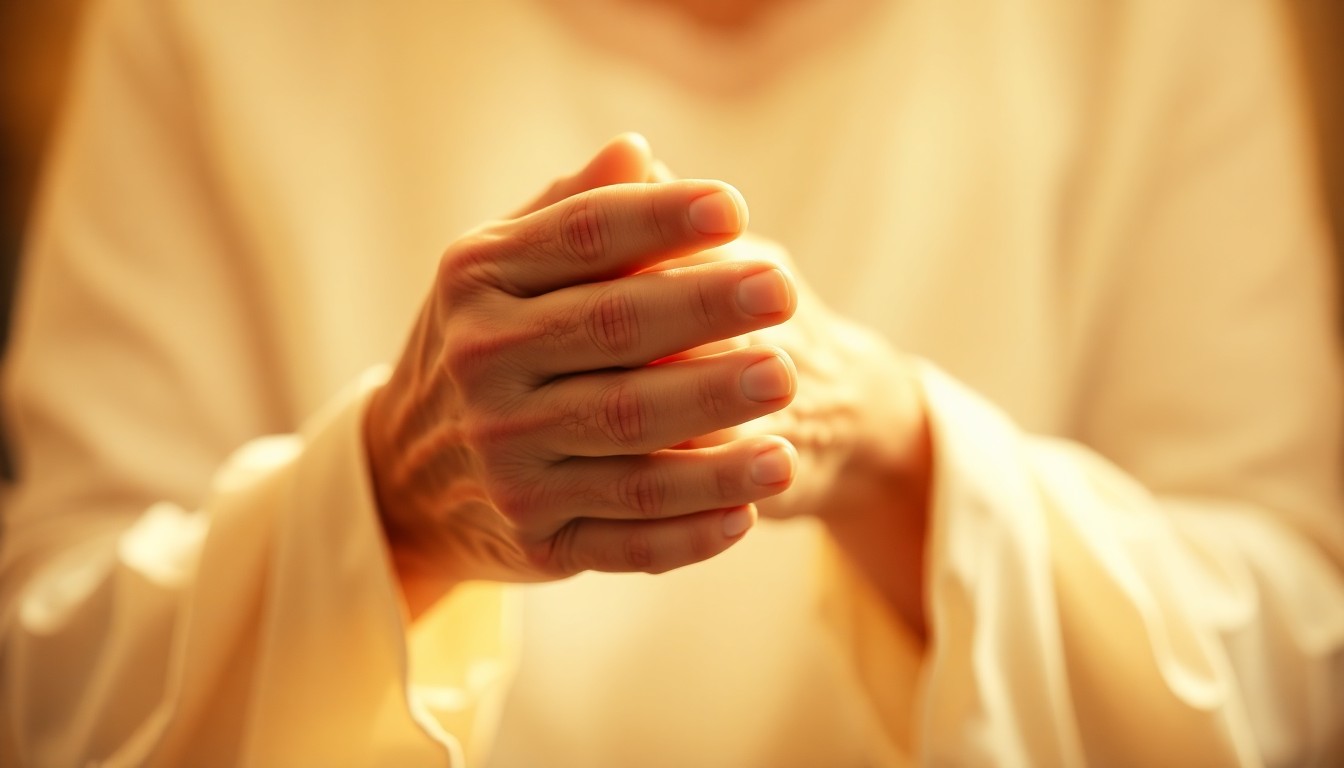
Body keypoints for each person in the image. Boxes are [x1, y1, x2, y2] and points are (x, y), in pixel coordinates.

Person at [2, 0, 1342, 765]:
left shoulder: (1163, 28)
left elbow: (1299, 650)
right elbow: (47, 674)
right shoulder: (204, 29)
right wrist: (390, 504)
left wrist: (900, 456)